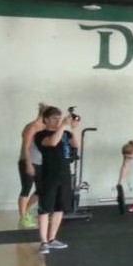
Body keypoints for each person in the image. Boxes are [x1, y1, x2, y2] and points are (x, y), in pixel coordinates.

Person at [33, 106, 80, 254]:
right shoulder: (40, 135)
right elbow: (52, 142)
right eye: (54, 118)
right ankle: (43, 242)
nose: (57, 121)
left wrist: (73, 128)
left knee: (60, 207)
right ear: (46, 119)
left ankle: (52, 239)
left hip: (64, 174)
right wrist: (63, 126)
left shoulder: (65, 133)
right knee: (45, 208)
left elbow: (76, 144)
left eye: (59, 118)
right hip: (48, 175)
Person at [17, 102, 48, 229]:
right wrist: (29, 165)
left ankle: (26, 211)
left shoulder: (44, 129)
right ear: (44, 115)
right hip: (27, 162)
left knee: (41, 189)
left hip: (40, 163)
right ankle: (22, 217)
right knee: (26, 188)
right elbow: (26, 147)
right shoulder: (32, 127)